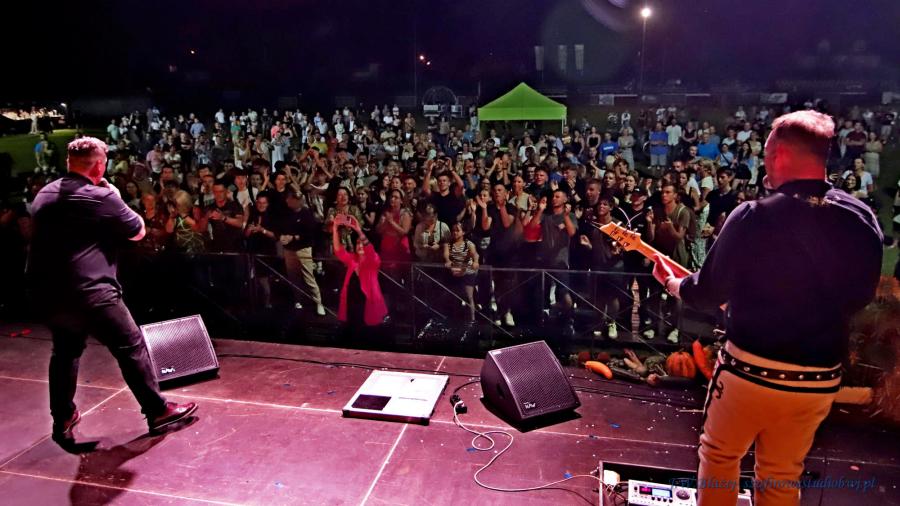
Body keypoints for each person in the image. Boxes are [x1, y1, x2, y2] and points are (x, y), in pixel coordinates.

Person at [652, 111, 882, 506]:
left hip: (751, 373)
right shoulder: (861, 218)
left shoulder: (753, 216)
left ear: (779, 155)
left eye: (768, 155)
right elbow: (860, 295)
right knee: (782, 472)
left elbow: (707, 291)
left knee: (721, 456)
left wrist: (672, 282)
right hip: (818, 379)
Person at [26, 137, 197, 447]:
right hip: (92, 290)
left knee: (65, 352)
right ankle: (158, 411)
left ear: (69, 163)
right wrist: (115, 196)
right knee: (131, 346)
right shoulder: (101, 196)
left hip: (50, 292)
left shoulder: (45, 194)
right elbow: (138, 231)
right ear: (99, 166)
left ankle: (62, 417)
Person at [332, 214, 388, 334]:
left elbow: (370, 249)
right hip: (351, 304)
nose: (360, 245)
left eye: (362, 243)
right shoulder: (352, 259)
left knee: (368, 333)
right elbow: (338, 251)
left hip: (368, 304)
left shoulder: (373, 260)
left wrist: (358, 230)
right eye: (358, 243)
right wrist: (335, 228)